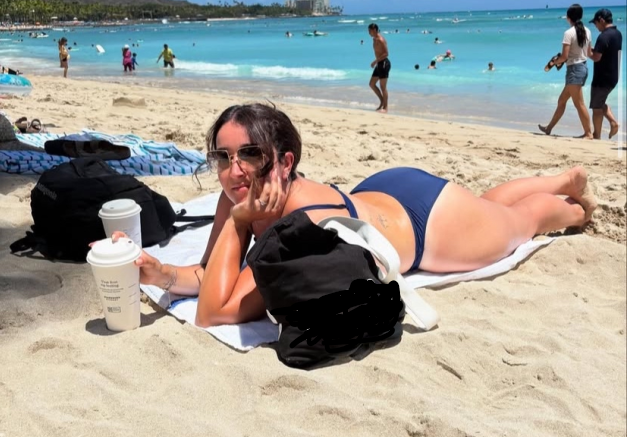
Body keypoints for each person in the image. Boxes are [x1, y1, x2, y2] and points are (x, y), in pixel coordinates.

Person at [122, 103, 597, 328]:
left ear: (285, 162)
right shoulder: (241, 192)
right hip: (382, 192)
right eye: (223, 157)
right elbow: (214, 273)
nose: (233, 170)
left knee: (521, 224)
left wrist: (239, 223)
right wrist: (163, 274)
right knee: (488, 208)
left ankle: (572, 203)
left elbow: (215, 311)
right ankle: (558, 180)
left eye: (249, 153)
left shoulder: (298, 221)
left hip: (429, 228)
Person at [539, 4, 593, 139]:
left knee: (579, 104)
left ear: (568, 17)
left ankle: (588, 133)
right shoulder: (588, 31)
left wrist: (554, 62)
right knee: (562, 100)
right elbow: (588, 53)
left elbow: (564, 57)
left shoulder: (568, 33)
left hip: (574, 70)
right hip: (583, 67)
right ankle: (549, 128)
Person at [587, 9, 621, 139]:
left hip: (602, 78)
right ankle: (609, 125)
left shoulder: (603, 36)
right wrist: (592, 49)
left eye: (596, 23)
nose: (596, 26)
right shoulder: (617, 34)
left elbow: (596, 57)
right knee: (600, 102)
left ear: (601, 20)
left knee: (596, 107)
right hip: (613, 76)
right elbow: (607, 51)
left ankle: (599, 133)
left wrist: (587, 53)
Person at [368, 23, 390, 113]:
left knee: (383, 87)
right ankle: (382, 101)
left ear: (374, 30)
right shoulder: (374, 39)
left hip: (384, 63)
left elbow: (386, 53)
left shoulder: (381, 40)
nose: (369, 32)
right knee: (372, 84)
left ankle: (385, 107)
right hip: (379, 64)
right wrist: (377, 62)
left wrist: (375, 61)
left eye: (370, 31)